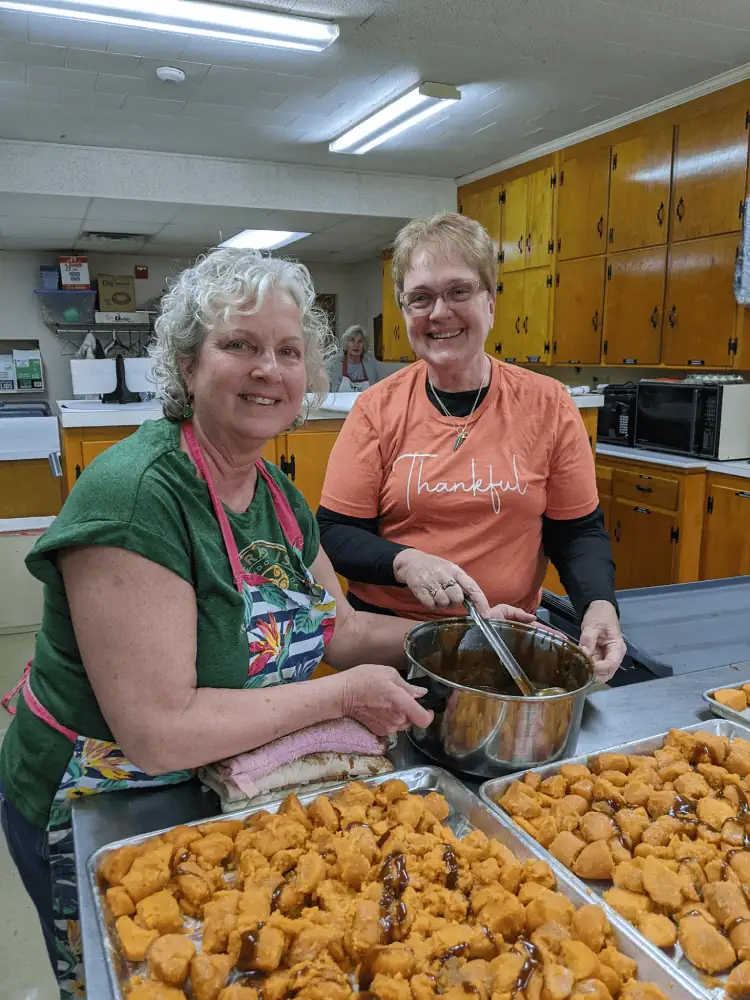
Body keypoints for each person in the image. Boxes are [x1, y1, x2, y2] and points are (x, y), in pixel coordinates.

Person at [0, 247, 530, 999]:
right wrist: (341, 699)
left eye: (287, 352)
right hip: (103, 801)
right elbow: (158, 728)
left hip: (216, 782)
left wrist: (471, 634)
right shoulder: (138, 496)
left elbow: (338, 632)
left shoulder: (276, 494)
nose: (268, 370)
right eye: (239, 345)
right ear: (187, 365)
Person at [317, 212, 626, 683]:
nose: (439, 312)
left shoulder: (548, 404)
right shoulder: (376, 409)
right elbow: (335, 532)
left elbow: (577, 531)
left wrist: (600, 606)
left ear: (490, 302)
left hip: (505, 640)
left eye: (458, 291)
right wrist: (406, 561)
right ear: (405, 312)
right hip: (392, 645)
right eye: (420, 298)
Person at [326, 323, 382, 391]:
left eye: (360, 341)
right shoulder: (333, 363)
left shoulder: (371, 367)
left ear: (364, 345)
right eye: (352, 340)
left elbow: (376, 392)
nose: (356, 345)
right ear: (347, 343)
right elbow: (323, 391)